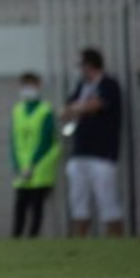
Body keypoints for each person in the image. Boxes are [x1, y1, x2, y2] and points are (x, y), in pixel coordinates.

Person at [61, 48, 125, 237]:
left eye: (82, 65)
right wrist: (78, 108)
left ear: (90, 65)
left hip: (102, 153)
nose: (80, 70)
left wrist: (78, 108)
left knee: (107, 200)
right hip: (80, 151)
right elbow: (66, 110)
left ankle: (116, 240)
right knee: (78, 200)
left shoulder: (109, 84)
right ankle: (80, 240)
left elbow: (96, 105)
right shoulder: (81, 87)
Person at [10, 73, 59, 239]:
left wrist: (33, 163)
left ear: (38, 87)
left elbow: (46, 140)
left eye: (31, 86)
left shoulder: (45, 110)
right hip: (22, 164)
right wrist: (16, 163)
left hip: (41, 164)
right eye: (24, 86)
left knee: (37, 204)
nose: (27, 90)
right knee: (20, 204)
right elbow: (14, 139)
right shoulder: (17, 110)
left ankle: (33, 237)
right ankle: (16, 236)